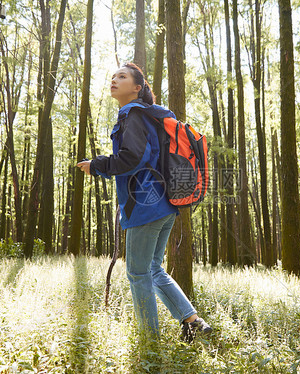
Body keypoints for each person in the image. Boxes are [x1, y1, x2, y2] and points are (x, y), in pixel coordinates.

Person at [76, 62, 212, 342]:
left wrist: (97, 165)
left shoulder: (133, 115)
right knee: (152, 268)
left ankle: (149, 340)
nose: (114, 79)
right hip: (164, 205)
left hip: (145, 205)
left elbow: (132, 158)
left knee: (138, 273)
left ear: (137, 88)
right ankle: (192, 320)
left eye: (122, 77)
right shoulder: (149, 116)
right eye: (113, 75)